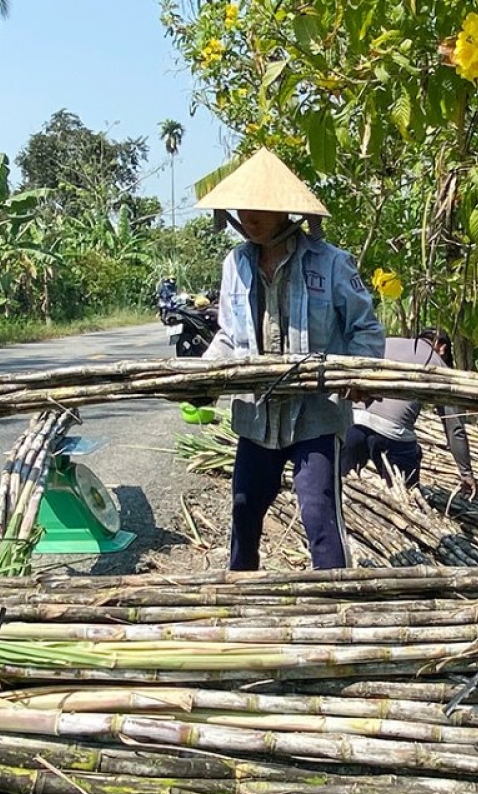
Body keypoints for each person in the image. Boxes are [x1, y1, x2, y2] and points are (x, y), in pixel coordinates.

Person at [194, 147, 386, 571]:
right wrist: (202, 376)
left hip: (315, 416)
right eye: (243, 207)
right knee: (244, 511)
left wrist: (358, 372)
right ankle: (240, 601)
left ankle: (335, 609)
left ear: (286, 211)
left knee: (319, 513)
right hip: (256, 417)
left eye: (261, 208)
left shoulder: (331, 263)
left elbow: (366, 330)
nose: (249, 216)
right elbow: (229, 334)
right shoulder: (235, 264)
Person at [341, 327, 478, 498]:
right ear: (441, 347)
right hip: (394, 436)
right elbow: (454, 427)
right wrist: (466, 473)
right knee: (406, 496)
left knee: (342, 487)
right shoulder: (438, 364)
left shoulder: (386, 342)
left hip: (355, 425)